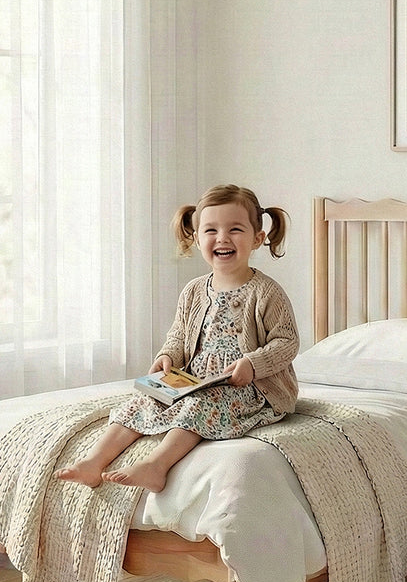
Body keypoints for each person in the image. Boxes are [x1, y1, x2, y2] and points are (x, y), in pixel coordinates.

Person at [56, 184, 299, 493]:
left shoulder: (266, 292)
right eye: (211, 230)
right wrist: (167, 357)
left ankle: (155, 465)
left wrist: (253, 363)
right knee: (142, 401)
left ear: (257, 238)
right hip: (195, 378)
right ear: (197, 239)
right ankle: (92, 463)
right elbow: (179, 334)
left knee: (197, 406)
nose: (222, 238)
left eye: (235, 229)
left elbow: (286, 341)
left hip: (247, 387)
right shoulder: (194, 290)